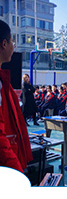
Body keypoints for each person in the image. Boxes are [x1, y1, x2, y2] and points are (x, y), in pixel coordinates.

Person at [0, 20, 33, 172]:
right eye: (12, 42)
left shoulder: (4, 81)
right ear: (4, 44)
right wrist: (17, 172)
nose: (13, 47)